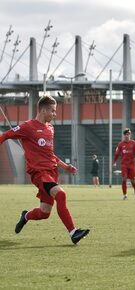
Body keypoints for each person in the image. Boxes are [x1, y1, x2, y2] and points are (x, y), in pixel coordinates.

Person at [0, 96, 90, 244]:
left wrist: (65, 166)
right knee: (61, 195)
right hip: (39, 173)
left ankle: (26, 216)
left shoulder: (50, 128)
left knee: (44, 213)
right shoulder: (27, 127)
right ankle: (73, 233)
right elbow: (5, 135)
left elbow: (49, 154)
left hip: (52, 173)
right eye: (53, 111)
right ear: (43, 110)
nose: (55, 114)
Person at [113, 128, 135, 200]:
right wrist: (114, 162)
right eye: (126, 134)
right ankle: (125, 195)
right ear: (124, 135)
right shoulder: (121, 144)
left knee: (133, 181)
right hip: (124, 164)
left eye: (128, 134)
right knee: (124, 179)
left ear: (130, 135)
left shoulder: (134, 143)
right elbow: (116, 154)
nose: (127, 136)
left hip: (132, 164)